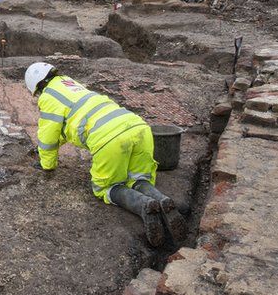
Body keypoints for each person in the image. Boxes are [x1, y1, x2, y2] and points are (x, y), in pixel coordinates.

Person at [24, 62, 186, 247]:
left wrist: (47, 164)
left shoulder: (48, 97)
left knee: (105, 187)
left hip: (109, 138)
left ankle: (143, 206)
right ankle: (162, 201)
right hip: (138, 127)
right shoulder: (70, 84)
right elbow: (66, 129)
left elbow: (48, 138)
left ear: (35, 87)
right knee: (138, 179)